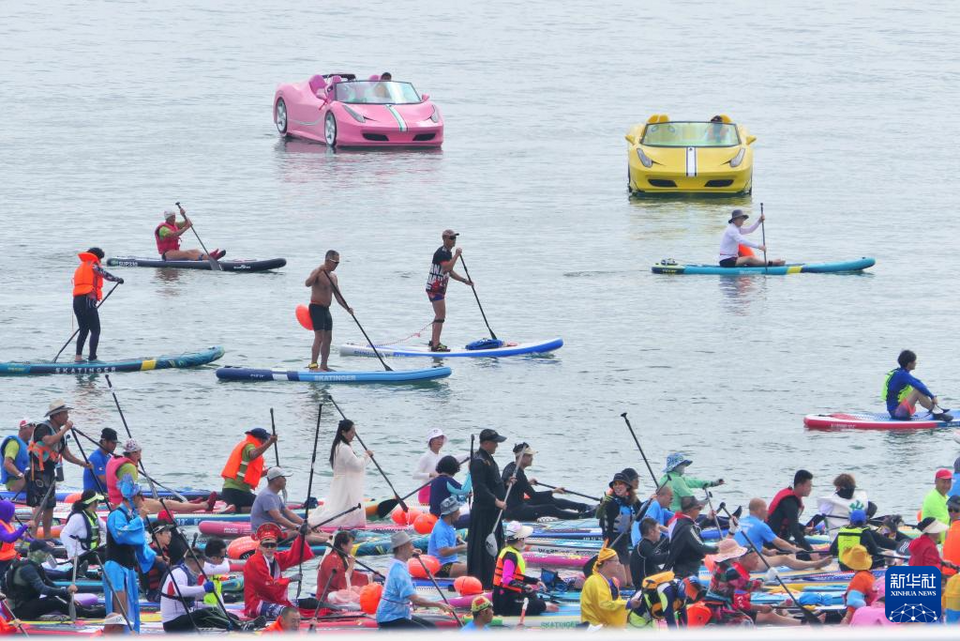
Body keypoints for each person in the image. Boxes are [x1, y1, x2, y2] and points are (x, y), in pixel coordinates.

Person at [29, 400, 91, 539]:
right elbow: (49, 441)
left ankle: (47, 535)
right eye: (65, 413)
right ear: (56, 415)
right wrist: (65, 429)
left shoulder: (60, 433)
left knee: (50, 505)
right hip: (38, 471)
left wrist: (82, 463)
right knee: (40, 504)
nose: (67, 416)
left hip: (50, 472)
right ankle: (32, 536)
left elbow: (66, 454)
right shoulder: (43, 428)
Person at [105, 439, 215, 514]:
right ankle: (205, 506)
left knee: (161, 501)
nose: (140, 455)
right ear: (134, 453)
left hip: (118, 502)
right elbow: (131, 494)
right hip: (127, 506)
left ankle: (188, 505)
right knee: (168, 504)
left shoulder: (116, 459)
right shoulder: (129, 467)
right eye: (139, 452)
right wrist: (145, 506)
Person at [4, 540, 105, 620]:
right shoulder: (27, 569)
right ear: (35, 552)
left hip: (28, 604)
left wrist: (70, 598)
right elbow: (43, 589)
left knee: (59, 598)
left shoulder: (35, 566)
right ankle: (88, 614)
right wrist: (66, 590)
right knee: (55, 602)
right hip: (19, 611)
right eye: (45, 552)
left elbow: (50, 584)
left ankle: (85, 610)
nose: (48, 554)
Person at [705, 541, 800, 626]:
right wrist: (765, 579)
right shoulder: (730, 571)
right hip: (718, 606)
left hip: (717, 603)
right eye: (755, 558)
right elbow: (747, 586)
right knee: (746, 622)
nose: (757, 561)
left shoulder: (719, 565)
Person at [104, 478, 155, 633]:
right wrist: (140, 519)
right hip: (115, 565)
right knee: (120, 608)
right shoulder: (116, 515)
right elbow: (122, 535)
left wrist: (155, 557)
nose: (143, 501)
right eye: (141, 497)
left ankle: (130, 633)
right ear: (134, 498)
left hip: (128, 566)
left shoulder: (132, 517)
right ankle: (115, 634)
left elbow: (139, 543)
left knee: (131, 605)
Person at [161, 545, 253, 631]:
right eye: (203, 564)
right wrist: (203, 588)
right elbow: (178, 591)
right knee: (202, 613)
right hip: (172, 623)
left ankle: (241, 624)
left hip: (184, 616)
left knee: (212, 610)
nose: (203, 567)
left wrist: (205, 592)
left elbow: (192, 597)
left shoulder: (188, 573)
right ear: (194, 563)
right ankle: (235, 627)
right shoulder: (178, 573)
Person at [375, 531, 456, 629]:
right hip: (390, 618)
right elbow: (416, 600)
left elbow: (405, 553)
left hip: (401, 614)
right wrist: (438, 604)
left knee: (432, 628)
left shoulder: (398, 562)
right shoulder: (399, 571)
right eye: (410, 545)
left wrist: (411, 552)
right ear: (401, 548)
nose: (413, 547)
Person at [243, 522, 317, 618]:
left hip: (274, 600)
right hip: (256, 603)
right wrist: (290, 579)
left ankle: (336, 611)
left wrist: (301, 535)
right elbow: (267, 585)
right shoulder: (254, 561)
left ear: (276, 546)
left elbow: (294, 555)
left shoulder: (276, 557)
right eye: (266, 545)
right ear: (260, 546)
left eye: (272, 545)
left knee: (310, 603)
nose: (269, 548)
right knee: (291, 615)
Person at [502, 443, 590, 521]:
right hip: (515, 512)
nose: (532, 458)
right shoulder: (516, 473)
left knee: (547, 499)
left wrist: (527, 483)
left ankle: (583, 507)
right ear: (522, 457)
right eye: (529, 456)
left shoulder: (510, 466)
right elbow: (534, 496)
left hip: (515, 506)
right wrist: (554, 491)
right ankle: (581, 516)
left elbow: (515, 484)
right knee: (549, 508)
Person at [308, 420, 370, 529]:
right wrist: (366, 456)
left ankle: (348, 524)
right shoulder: (344, 448)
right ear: (343, 432)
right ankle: (340, 525)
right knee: (342, 508)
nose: (353, 435)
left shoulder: (338, 445)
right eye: (351, 432)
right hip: (346, 483)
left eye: (354, 432)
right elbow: (357, 466)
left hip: (341, 481)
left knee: (340, 507)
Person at [736, 498, 830, 570]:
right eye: (766, 509)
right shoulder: (761, 525)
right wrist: (794, 549)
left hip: (737, 559)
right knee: (785, 559)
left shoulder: (741, 521)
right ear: (760, 510)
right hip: (749, 561)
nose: (767, 511)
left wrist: (767, 552)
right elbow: (779, 543)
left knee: (783, 556)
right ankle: (816, 564)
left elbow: (751, 543)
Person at [467, 428, 507, 588]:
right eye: (495, 442)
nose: (497, 445)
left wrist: (506, 483)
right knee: (483, 547)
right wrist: (496, 501)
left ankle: (493, 577)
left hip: (493, 513)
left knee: (496, 545)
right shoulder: (478, 461)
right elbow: (480, 488)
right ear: (486, 443)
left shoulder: (488, 458)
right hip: (484, 513)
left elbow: (493, 482)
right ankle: (481, 580)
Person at [252, 467, 329, 545]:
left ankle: (331, 537)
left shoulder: (274, 495)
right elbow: (278, 519)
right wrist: (297, 528)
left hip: (274, 531)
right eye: (283, 478)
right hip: (264, 534)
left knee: (303, 529)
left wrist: (307, 524)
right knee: (295, 533)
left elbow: (289, 514)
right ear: (275, 480)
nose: (285, 480)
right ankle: (329, 541)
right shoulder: (267, 496)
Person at [72, 247, 123, 363]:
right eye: (100, 259)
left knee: (84, 330)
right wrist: (117, 279)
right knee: (96, 330)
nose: (100, 262)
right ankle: (92, 358)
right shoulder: (94, 265)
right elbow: (105, 275)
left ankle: (78, 357)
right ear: (96, 257)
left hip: (76, 301)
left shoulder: (80, 267)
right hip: (88, 300)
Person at [304, 250, 353, 371]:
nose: (337, 264)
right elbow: (307, 283)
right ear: (327, 260)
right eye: (335, 262)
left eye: (338, 262)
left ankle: (324, 365)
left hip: (326, 309)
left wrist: (348, 308)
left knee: (328, 338)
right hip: (316, 307)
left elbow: (338, 296)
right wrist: (319, 270)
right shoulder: (318, 272)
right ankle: (313, 366)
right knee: (319, 337)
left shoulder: (334, 277)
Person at [426, 229, 472, 352]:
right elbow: (447, 268)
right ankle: (436, 345)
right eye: (451, 238)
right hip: (435, 288)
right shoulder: (442, 252)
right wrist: (457, 255)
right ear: (445, 239)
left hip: (438, 288)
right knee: (441, 316)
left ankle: (433, 341)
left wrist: (464, 280)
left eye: (454, 238)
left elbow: (450, 272)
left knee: (438, 315)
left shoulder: (447, 253)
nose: (454, 240)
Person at [884, 350, 952, 421]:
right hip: (897, 413)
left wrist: (932, 396)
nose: (916, 363)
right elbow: (918, 386)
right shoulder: (902, 375)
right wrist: (932, 397)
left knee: (919, 389)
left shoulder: (900, 372)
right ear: (909, 363)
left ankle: (936, 410)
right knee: (917, 391)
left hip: (898, 411)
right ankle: (937, 413)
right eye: (914, 361)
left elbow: (918, 382)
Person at [220, 428, 277, 513]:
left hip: (229, 492)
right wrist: (270, 442)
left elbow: (251, 474)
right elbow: (253, 454)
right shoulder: (249, 446)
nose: (265, 443)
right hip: (236, 492)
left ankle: (232, 506)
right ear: (260, 440)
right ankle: (235, 509)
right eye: (265, 441)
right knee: (265, 504)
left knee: (259, 503)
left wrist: (271, 471)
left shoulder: (245, 445)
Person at [580, 547, 639, 628]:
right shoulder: (594, 581)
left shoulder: (613, 581)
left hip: (608, 626)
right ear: (606, 563)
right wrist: (628, 604)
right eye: (616, 561)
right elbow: (604, 605)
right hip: (595, 627)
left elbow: (616, 602)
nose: (619, 564)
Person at [665, 496, 719, 578]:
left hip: (681, 567)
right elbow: (700, 547)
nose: (699, 512)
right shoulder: (687, 527)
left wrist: (708, 519)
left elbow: (695, 531)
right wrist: (719, 549)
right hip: (687, 572)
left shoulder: (679, 521)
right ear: (691, 510)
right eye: (699, 508)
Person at [829, 509, 897, 569]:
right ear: (864, 521)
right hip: (859, 566)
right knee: (889, 555)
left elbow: (832, 551)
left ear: (850, 520)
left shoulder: (841, 532)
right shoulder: (864, 532)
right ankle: (891, 569)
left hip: (843, 566)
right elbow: (875, 551)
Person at [766, 469, 815, 554]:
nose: (810, 489)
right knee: (806, 554)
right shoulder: (790, 503)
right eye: (809, 486)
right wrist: (811, 552)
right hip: (774, 544)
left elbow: (790, 521)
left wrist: (804, 528)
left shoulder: (791, 499)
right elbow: (795, 532)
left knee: (803, 548)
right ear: (800, 485)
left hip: (779, 541)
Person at [316, 531, 371, 602]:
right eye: (351, 543)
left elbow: (351, 576)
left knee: (360, 589)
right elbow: (343, 582)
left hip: (336, 590)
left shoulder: (340, 556)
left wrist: (370, 577)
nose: (352, 546)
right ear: (342, 545)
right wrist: (351, 565)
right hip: (327, 595)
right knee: (352, 595)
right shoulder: (333, 559)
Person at [60, 490, 106, 575]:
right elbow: (63, 535)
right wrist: (73, 554)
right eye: (97, 501)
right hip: (80, 555)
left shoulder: (93, 515)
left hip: (91, 551)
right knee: (108, 557)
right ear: (93, 503)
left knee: (110, 551)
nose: (98, 503)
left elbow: (106, 528)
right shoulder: (77, 517)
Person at [155, 206, 224, 261]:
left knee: (195, 250)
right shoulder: (163, 229)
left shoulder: (175, 224)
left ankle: (209, 256)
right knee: (187, 253)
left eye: (174, 216)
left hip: (175, 252)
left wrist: (183, 215)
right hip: (167, 254)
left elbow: (188, 222)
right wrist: (186, 227)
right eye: (172, 217)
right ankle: (207, 259)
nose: (174, 219)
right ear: (167, 218)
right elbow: (175, 234)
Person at [718, 210, 784, 268]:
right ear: (734, 220)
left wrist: (759, 221)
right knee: (750, 259)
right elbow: (742, 241)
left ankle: (768, 263)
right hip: (726, 260)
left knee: (751, 260)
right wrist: (759, 246)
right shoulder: (732, 230)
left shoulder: (736, 228)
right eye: (740, 219)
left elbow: (750, 230)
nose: (742, 221)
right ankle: (772, 263)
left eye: (743, 219)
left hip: (733, 258)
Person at [601, 472, 639, 567]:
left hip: (624, 543)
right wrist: (602, 505)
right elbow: (600, 518)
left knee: (629, 580)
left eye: (620, 484)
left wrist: (650, 502)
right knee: (623, 579)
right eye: (615, 484)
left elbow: (640, 516)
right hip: (612, 543)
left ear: (627, 486)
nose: (617, 486)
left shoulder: (630, 501)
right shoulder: (610, 501)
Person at [818, 473, 872, 539]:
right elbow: (873, 507)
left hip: (837, 536)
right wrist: (867, 516)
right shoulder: (861, 498)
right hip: (861, 534)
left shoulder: (830, 501)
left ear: (841, 487)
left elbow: (820, 516)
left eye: (837, 487)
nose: (836, 490)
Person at [429, 497, 468, 578]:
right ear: (451, 514)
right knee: (473, 569)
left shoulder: (448, 523)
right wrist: (462, 547)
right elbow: (443, 552)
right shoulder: (441, 529)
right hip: (440, 567)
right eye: (458, 510)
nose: (460, 513)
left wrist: (456, 538)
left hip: (450, 562)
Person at [840, 545, 878, 624]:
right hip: (872, 613)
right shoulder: (869, 575)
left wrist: (846, 620)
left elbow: (854, 602)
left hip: (863, 617)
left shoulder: (859, 577)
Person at [629, 517, 669, 591]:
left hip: (648, 583)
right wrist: (671, 553)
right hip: (645, 587)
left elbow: (663, 546)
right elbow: (656, 559)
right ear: (651, 532)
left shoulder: (646, 543)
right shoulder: (644, 545)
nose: (660, 532)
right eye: (658, 529)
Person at [428, 455, 471, 521]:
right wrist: (470, 472)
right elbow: (465, 490)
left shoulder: (435, 481)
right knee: (472, 517)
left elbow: (446, 499)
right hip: (444, 518)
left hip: (434, 515)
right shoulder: (447, 481)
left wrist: (464, 497)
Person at [412, 428, 446, 505]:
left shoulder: (443, 456)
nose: (440, 440)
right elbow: (415, 475)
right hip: (426, 493)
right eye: (437, 438)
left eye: (441, 438)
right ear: (431, 441)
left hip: (438, 491)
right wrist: (431, 474)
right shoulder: (426, 457)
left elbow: (455, 459)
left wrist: (471, 454)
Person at [0, 500, 30, 578]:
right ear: (6, 513)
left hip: (9, 558)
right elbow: (9, 539)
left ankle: (64, 574)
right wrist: (25, 526)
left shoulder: (8, 524)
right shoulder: (0, 527)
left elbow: (22, 539)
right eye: (13, 513)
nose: (14, 515)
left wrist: (38, 542)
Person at [2, 420, 34, 494]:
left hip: (25, 481)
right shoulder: (13, 443)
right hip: (15, 482)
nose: (33, 432)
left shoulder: (28, 445)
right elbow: (7, 464)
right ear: (23, 429)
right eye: (31, 429)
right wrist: (20, 475)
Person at [84, 428, 118, 493]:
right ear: (104, 441)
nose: (115, 446)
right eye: (113, 443)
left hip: (105, 494)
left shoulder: (109, 457)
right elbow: (105, 480)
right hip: (93, 496)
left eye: (116, 443)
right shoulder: (96, 458)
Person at [922, 469, 953, 533]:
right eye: (944, 482)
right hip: (933, 538)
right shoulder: (932, 498)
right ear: (936, 481)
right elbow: (944, 523)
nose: (947, 485)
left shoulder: (947, 497)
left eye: (949, 482)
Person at [943, 496, 960, 576]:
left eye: (956, 510)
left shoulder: (947, 530)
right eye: (950, 509)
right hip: (951, 575)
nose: (952, 512)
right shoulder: (948, 530)